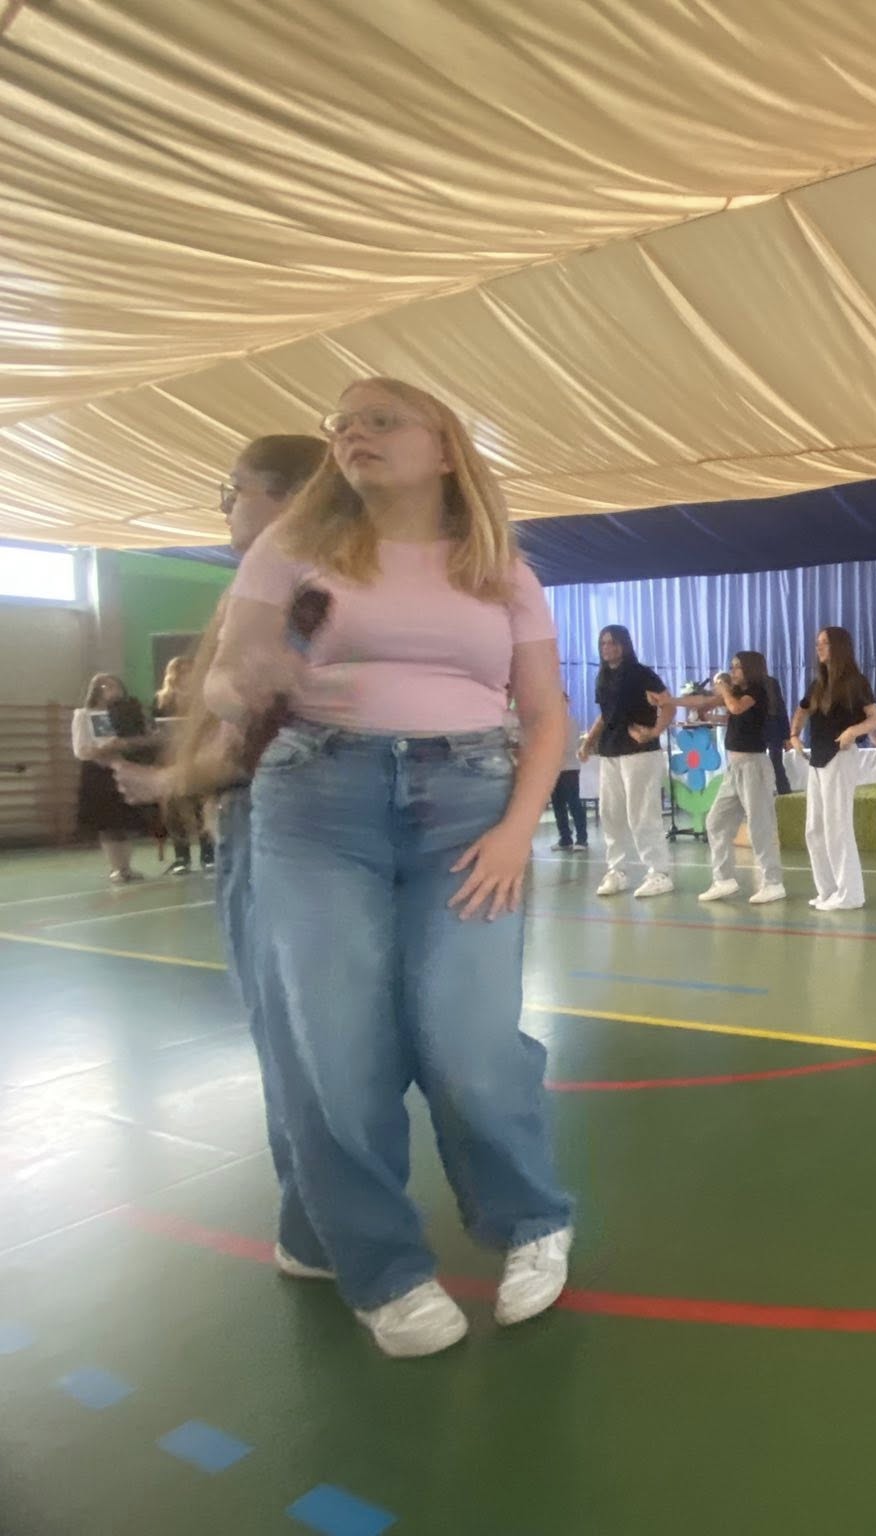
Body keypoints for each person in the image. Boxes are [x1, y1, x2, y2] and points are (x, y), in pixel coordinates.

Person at [207, 377, 576, 1359]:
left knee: (468, 1039)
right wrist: (246, 680)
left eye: (379, 419)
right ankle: (381, 1268)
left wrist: (516, 831)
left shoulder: (501, 569)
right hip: (315, 808)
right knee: (333, 1049)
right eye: (340, 424)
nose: (351, 433)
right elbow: (228, 669)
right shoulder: (294, 549)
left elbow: (546, 715)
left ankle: (532, 1218)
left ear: (444, 448)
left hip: (469, 808)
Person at [115, 433, 332, 1281]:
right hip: (303, 832)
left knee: (295, 1039)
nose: (223, 504)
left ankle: (319, 1230)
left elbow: (260, 735)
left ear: (288, 500)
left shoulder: (296, 593)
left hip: (280, 832)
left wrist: (167, 779)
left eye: (234, 488)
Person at [665, 652, 786, 904]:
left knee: (759, 825)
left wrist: (723, 689)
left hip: (754, 766)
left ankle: (773, 882)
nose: (733, 671)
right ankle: (724, 880)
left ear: (750, 669)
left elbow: (735, 707)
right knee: (716, 821)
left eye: (738, 667)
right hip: (734, 768)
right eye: (731, 667)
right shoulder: (736, 693)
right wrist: (671, 701)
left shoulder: (758, 690)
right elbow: (708, 703)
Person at [787, 626, 876, 910]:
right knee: (814, 829)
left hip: (840, 757)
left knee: (837, 827)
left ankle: (850, 893)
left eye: (825, 643)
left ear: (838, 647)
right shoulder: (818, 684)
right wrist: (794, 734)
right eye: (818, 642)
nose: (819, 647)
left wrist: (853, 730)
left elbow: (875, 718)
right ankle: (827, 889)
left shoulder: (855, 682)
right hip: (817, 759)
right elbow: (802, 710)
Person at [579, 625, 673, 897]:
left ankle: (659, 872)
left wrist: (654, 732)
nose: (607, 648)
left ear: (624, 644)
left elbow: (668, 705)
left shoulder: (641, 674)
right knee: (610, 813)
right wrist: (588, 742)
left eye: (612, 642)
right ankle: (617, 870)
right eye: (603, 643)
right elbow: (605, 714)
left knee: (642, 813)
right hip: (611, 751)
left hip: (639, 752)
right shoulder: (603, 676)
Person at [72, 674, 153, 881]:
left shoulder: (126, 714)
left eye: (116, 685)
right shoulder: (84, 715)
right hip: (97, 772)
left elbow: (140, 740)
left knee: (125, 822)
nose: (112, 690)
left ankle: (126, 867)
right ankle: (116, 868)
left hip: (121, 768)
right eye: (106, 686)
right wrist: (104, 749)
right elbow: (81, 749)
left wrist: (132, 743)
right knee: (107, 824)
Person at [153, 656, 214, 874]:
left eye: (190, 670)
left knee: (202, 806)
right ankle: (182, 857)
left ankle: (208, 854)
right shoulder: (161, 700)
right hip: (172, 758)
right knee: (173, 811)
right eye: (181, 671)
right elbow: (154, 728)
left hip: (199, 757)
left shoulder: (205, 697)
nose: (187, 675)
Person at [550, 691, 589, 851]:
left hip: (569, 768)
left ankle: (582, 839)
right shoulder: (549, 723)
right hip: (553, 769)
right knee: (557, 804)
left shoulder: (571, 723)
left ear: (567, 703)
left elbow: (568, 746)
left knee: (574, 803)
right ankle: (565, 838)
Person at [763, 670, 793, 795]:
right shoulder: (770, 682)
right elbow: (781, 709)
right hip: (764, 726)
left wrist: (786, 736)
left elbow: (780, 708)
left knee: (776, 762)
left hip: (772, 724)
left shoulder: (771, 682)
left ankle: (783, 790)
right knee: (773, 762)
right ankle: (780, 790)